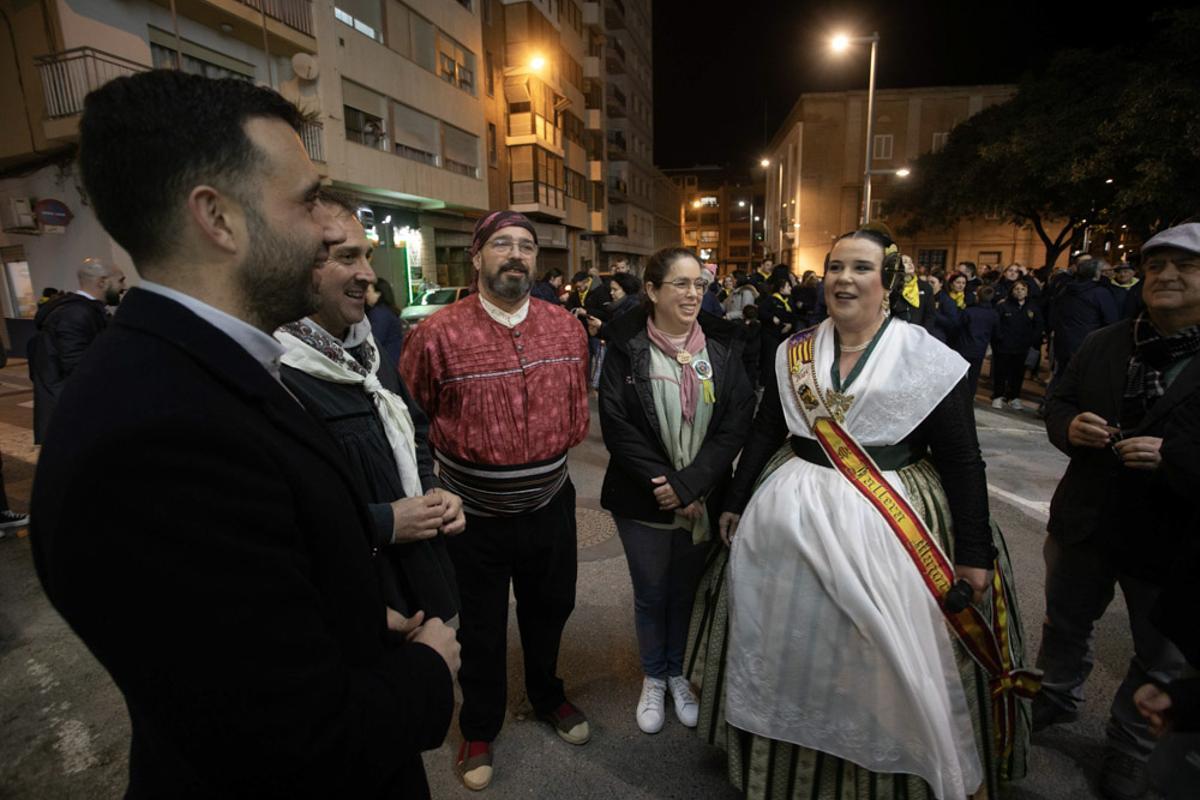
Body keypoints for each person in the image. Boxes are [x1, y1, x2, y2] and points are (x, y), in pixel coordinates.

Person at [30, 70, 459, 798]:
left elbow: (249, 601)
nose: (325, 229)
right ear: (218, 218)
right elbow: (290, 741)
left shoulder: (201, 368)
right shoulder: (155, 439)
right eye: (304, 202)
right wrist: (428, 670)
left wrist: (342, 613)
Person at [692, 226, 1030, 800]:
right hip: (788, 521)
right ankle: (790, 767)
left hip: (891, 526)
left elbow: (963, 461)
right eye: (835, 268)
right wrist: (737, 497)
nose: (844, 279)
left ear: (889, 280)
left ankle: (886, 770)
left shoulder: (930, 360)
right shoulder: (791, 351)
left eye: (860, 268)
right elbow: (767, 428)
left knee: (879, 651)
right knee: (791, 645)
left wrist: (973, 552)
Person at [400, 210, 591, 791]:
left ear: (536, 260)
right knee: (479, 627)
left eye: (526, 246)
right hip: (469, 518)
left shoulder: (567, 329)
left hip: (550, 505)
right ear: (477, 256)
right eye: (502, 244)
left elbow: (579, 405)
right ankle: (478, 725)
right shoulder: (436, 334)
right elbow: (415, 412)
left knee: (550, 608)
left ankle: (547, 694)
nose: (516, 254)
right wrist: (435, 485)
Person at [1036, 222, 1200, 800]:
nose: (1166, 277)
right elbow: (1058, 401)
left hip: (1172, 539)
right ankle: (1053, 698)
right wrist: (1068, 426)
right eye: (1156, 266)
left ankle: (1129, 748)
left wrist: (1175, 457)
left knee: (1161, 654)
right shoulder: (1107, 342)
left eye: (1185, 267)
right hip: (1086, 520)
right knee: (1064, 621)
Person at [276, 194, 464, 631]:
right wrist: (387, 522)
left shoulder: (366, 356)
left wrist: (434, 494)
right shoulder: (277, 371)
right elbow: (285, 516)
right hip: (358, 601)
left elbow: (415, 430)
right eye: (346, 256)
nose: (367, 274)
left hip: (419, 575)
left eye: (367, 256)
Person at [598, 246, 754, 736]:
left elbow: (736, 422)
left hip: (701, 498)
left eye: (700, 285)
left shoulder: (724, 346)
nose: (693, 294)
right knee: (650, 593)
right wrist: (664, 484)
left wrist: (692, 484)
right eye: (681, 284)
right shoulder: (626, 345)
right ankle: (654, 676)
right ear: (652, 290)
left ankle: (678, 673)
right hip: (643, 497)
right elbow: (618, 425)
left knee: (685, 593)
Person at [29, 258, 111, 444]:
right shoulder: (76, 313)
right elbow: (78, 368)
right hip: (74, 410)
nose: (124, 286)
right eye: (120, 280)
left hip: (74, 408)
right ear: (102, 282)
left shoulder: (83, 310)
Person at [1048, 256, 1119, 379]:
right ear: (1095, 274)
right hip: (1087, 345)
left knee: (1063, 376)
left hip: (1064, 342)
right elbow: (1111, 322)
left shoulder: (1066, 289)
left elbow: (1055, 312)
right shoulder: (1100, 293)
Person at [991, 279, 1044, 410]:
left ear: (1027, 292)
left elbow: (1038, 325)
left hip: (1022, 347)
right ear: (1012, 291)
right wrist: (999, 339)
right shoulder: (1003, 306)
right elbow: (996, 324)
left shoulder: (1032, 307)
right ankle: (998, 396)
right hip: (1003, 346)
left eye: (1022, 289)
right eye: (1017, 289)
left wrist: (1031, 340)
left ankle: (1014, 397)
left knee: (1018, 373)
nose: (1019, 292)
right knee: (1001, 372)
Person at [956, 285, 1000, 398]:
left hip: (964, 346)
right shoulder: (993, 314)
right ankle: (970, 397)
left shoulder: (969, 312)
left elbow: (958, 326)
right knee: (974, 375)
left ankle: (958, 396)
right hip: (980, 349)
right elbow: (996, 333)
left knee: (960, 373)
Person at [888, 253, 937, 334]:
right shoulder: (892, 287)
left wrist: (924, 334)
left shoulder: (925, 287)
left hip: (919, 333)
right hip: (897, 333)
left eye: (911, 261)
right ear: (897, 267)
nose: (910, 264)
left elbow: (930, 315)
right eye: (905, 262)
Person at [364, 276, 404, 368]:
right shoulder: (387, 311)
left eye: (368, 291)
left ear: (379, 294)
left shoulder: (379, 314)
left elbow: (374, 340)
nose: (365, 295)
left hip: (387, 363)